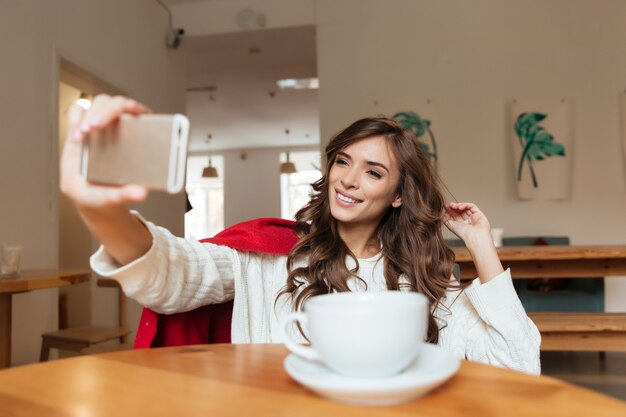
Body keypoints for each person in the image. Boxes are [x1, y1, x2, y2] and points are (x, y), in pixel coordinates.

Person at [61, 95, 541, 375]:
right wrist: (97, 207)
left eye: (373, 172)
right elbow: (172, 276)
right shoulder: (270, 257)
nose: (348, 179)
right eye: (342, 161)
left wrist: (479, 243)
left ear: (398, 194)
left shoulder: (426, 283)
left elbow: (518, 362)